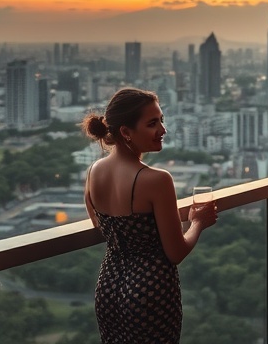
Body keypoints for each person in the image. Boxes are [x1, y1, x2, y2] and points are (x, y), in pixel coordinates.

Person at [82, 88, 217, 344]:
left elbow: (100, 226)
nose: (163, 130)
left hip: (109, 286)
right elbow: (176, 252)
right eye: (152, 123)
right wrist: (197, 223)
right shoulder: (156, 180)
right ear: (125, 132)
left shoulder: (93, 172)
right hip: (149, 291)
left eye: (161, 120)